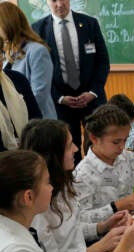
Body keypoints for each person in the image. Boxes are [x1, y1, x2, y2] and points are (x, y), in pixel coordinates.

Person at [0, 150, 134, 252]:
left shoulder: (14, 228)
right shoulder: (15, 251)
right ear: (28, 197)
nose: (51, 187)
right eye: (47, 182)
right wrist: (124, 248)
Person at [20, 119, 133, 252]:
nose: (75, 149)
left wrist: (102, 226)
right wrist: (96, 248)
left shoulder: (63, 183)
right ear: (53, 155)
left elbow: (71, 232)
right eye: (69, 146)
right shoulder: (38, 207)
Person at [32, 0, 110, 164]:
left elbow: (102, 61)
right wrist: (59, 97)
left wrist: (92, 92)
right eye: (54, 0)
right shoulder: (37, 30)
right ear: (47, 2)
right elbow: (39, 71)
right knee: (68, 151)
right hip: (60, 103)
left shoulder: (90, 23)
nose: (59, 4)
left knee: (99, 147)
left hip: (92, 99)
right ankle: (73, 186)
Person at [0, 2, 57, 119]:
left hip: (40, 125)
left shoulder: (37, 51)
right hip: (18, 122)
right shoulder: (6, 51)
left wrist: (14, 115)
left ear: (9, 23)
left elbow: (38, 97)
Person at [0, 38, 42, 152]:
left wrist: (27, 147)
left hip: (29, 152)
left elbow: (36, 119)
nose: (1, 58)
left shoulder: (17, 79)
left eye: (0, 52)